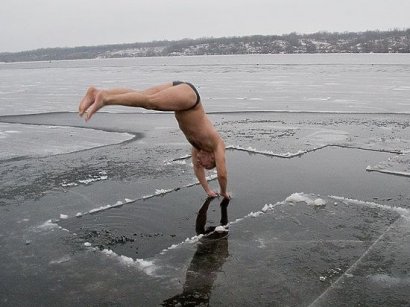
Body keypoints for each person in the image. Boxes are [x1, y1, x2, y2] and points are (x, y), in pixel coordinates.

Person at [78, 81, 229, 199]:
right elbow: (222, 174)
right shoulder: (217, 144)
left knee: (142, 95)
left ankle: (97, 93)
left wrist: (208, 190)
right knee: (150, 102)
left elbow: (197, 169)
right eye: (207, 165)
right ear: (212, 157)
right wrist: (223, 192)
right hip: (190, 99)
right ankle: (105, 99)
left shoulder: (198, 146)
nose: (201, 164)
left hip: (181, 94)